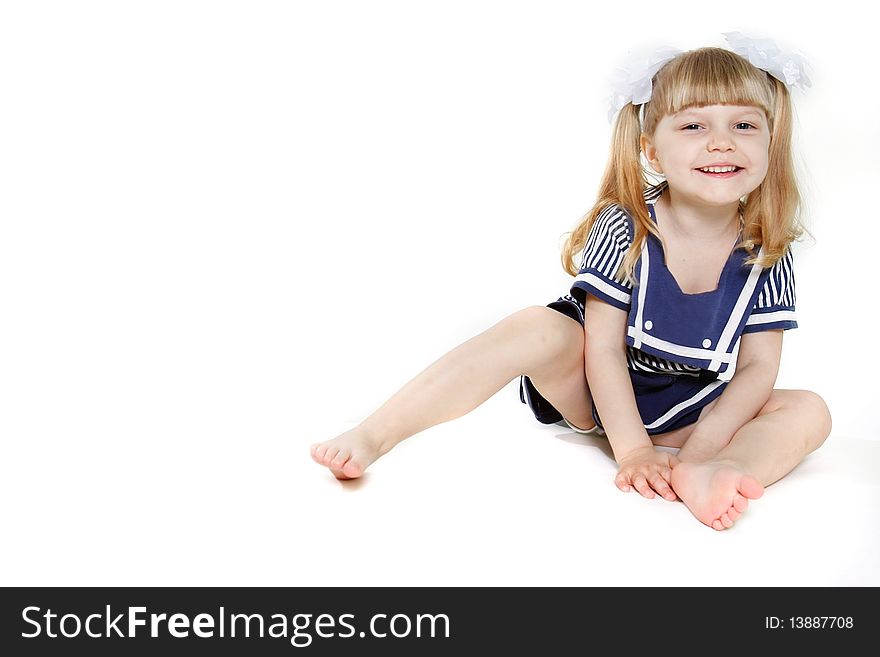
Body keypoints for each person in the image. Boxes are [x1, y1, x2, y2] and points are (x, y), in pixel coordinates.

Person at [310, 35, 832, 531]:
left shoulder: (766, 250)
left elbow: (759, 367)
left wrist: (700, 449)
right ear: (652, 152)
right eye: (694, 127)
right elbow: (602, 349)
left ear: (770, 141)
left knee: (810, 409)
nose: (722, 143)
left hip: (687, 411)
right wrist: (632, 452)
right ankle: (376, 432)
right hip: (592, 389)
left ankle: (718, 471)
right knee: (538, 327)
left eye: (744, 126)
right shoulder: (626, 225)